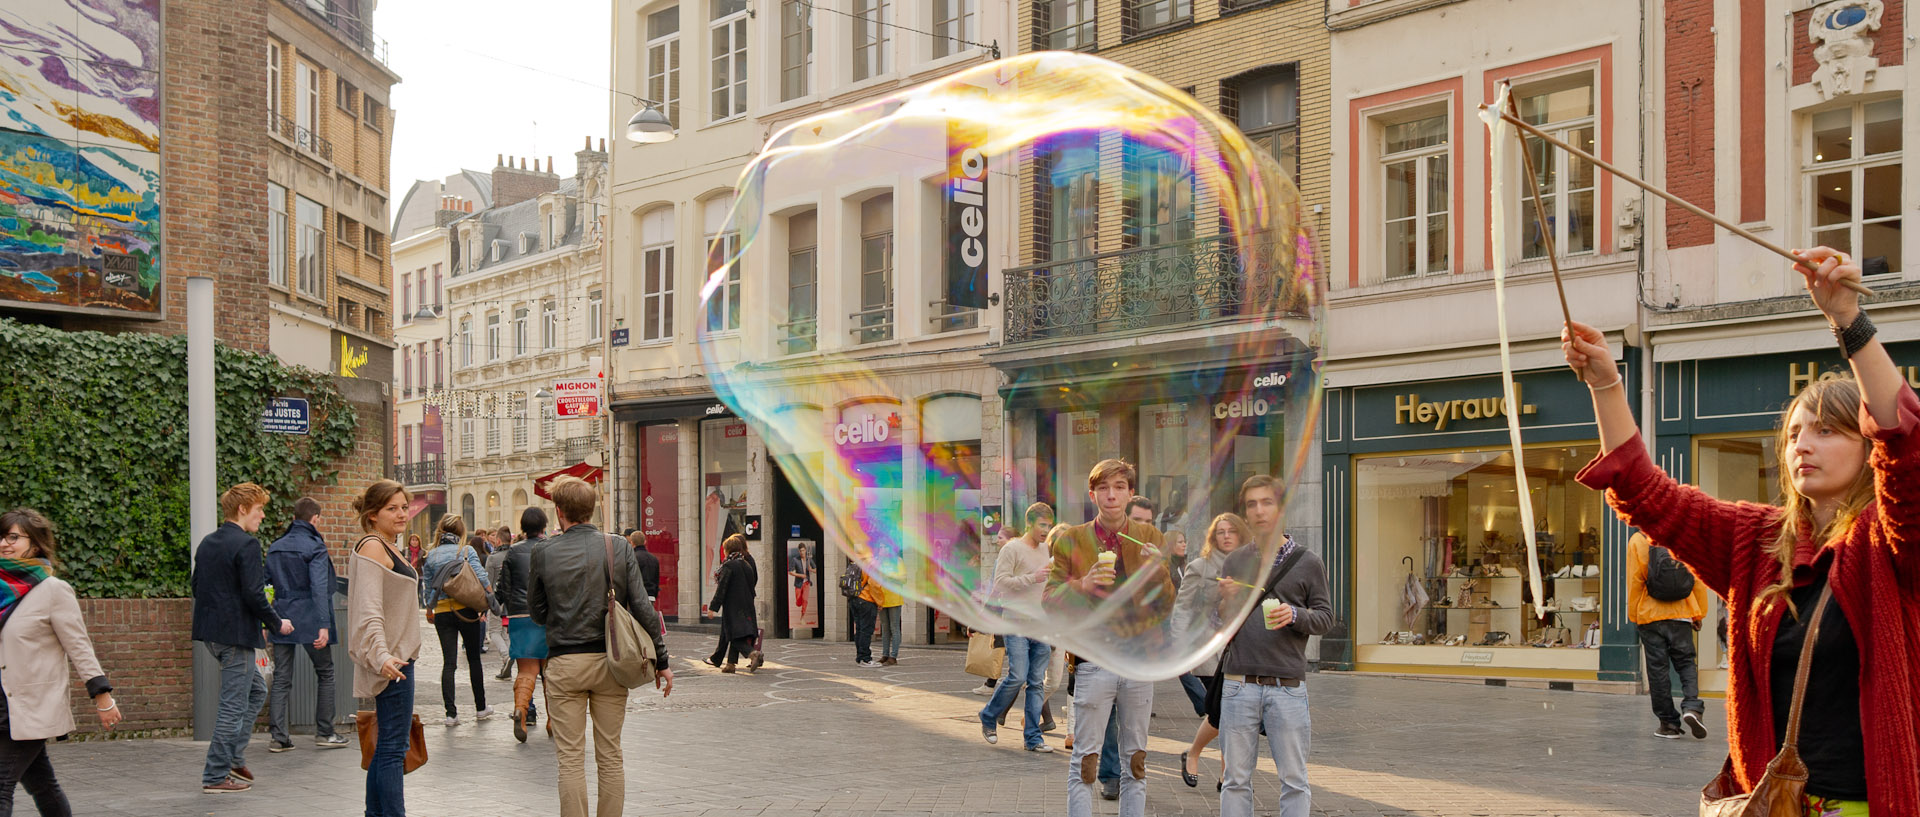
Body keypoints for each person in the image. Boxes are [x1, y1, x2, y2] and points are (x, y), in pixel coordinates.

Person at [1564, 246, 1920, 815]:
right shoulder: (1756, 539)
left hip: (1868, 803)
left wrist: (1848, 322)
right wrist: (1606, 385)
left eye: (1828, 432)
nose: (1803, 444)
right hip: (1769, 802)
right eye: (1795, 434)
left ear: (1867, 446)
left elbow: (1906, 442)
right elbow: (1646, 494)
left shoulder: (1893, 541)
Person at [528, 476, 674, 817]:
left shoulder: (544, 551)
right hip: (612, 661)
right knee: (610, 755)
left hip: (565, 664)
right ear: (592, 509)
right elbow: (641, 606)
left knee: (570, 759)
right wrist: (661, 660)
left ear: (559, 511)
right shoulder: (617, 546)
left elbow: (536, 612)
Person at [1047, 459, 1170, 817]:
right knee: (1085, 763)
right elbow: (1049, 599)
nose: (1111, 495)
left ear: (1131, 494)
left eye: (1119, 487)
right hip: (1092, 663)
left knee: (1136, 763)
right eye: (1103, 488)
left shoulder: (1149, 537)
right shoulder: (1072, 539)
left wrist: (1158, 572)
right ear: (1092, 494)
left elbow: (1165, 605)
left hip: (1137, 662)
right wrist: (1082, 585)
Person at [1215, 474, 1335, 817]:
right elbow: (1222, 624)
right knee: (1235, 779)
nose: (1259, 511)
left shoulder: (1308, 562)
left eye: (1267, 502)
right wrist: (1225, 602)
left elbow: (1325, 618)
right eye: (1252, 504)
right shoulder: (1235, 560)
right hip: (1239, 685)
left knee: (1294, 780)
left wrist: (1295, 615)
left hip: (1288, 686)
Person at [0, 509, 120, 815]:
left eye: (13, 536)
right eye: (1, 536)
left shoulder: (53, 590)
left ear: (36, 543)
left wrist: (102, 696)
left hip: (29, 705)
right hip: (3, 702)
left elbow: (79, 646)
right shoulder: (2, 587)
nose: (4, 543)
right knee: (42, 783)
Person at [192, 483, 294, 794]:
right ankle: (215, 774)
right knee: (232, 706)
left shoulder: (208, 542)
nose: (262, 515)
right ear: (242, 510)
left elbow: (198, 587)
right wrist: (277, 623)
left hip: (212, 634)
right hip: (236, 637)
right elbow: (253, 594)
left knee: (256, 689)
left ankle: (234, 756)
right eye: (259, 509)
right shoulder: (247, 545)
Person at [346, 480, 421, 817]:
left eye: (404, 507)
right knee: (393, 748)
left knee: (386, 748)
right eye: (392, 508)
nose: (401, 514)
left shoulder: (388, 546)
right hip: (393, 661)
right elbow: (369, 609)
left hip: (396, 657)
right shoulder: (374, 547)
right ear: (373, 515)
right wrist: (381, 655)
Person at [1172, 513, 1253, 788]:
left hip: (1243, 648)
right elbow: (1182, 608)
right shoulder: (1201, 567)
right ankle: (1220, 770)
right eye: (1221, 532)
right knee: (1225, 710)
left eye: (1232, 530)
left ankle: (1197, 756)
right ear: (1213, 537)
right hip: (1209, 648)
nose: (1227, 536)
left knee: (1228, 711)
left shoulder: (1252, 566)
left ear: (1241, 534)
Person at [264, 497, 348, 753]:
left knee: (281, 678)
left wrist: (268, 621)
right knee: (325, 672)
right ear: (316, 519)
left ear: (293, 518)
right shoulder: (316, 547)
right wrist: (323, 625)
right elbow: (319, 588)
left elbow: (266, 586)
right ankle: (325, 732)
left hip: (282, 617)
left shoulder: (275, 547)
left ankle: (279, 737)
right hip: (311, 616)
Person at [980, 502, 1057, 753]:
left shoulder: (1047, 549)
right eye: (1042, 525)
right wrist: (1031, 578)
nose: (1046, 530)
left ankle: (1033, 738)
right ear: (1030, 523)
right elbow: (1001, 582)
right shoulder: (1012, 549)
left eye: (1049, 525)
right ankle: (989, 715)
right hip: (1015, 621)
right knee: (1018, 676)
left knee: (1036, 683)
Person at [1626, 531, 1713, 740]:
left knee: (1658, 670)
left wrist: (1634, 614)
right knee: (1686, 663)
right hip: (1682, 613)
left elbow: (1635, 580)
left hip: (1650, 615)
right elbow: (1698, 579)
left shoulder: (1639, 539)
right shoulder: (1685, 537)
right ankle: (1692, 707)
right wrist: (1699, 612)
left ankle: (1668, 724)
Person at [419, 517, 494, 725]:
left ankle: (451, 714)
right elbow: (482, 577)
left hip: (443, 612)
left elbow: (427, 586)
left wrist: (429, 609)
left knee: (449, 663)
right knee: (474, 659)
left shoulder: (430, 554)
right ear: (460, 532)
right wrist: (490, 599)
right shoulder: (466, 551)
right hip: (466, 609)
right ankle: (481, 708)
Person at [498, 507, 550, 742]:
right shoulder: (550, 548)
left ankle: (521, 709)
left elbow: (503, 588)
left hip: (519, 616)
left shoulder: (512, 552)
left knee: (526, 670)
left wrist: (508, 608)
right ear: (543, 526)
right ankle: (553, 721)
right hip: (547, 617)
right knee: (551, 673)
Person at [709, 534, 761, 673]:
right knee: (735, 633)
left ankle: (752, 654)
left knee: (733, 635)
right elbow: (753, 583)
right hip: (747, 604)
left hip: (733, 606)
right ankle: (730, 664)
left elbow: (722, 588)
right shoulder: (747, 564)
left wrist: (713, 607)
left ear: (727, 550)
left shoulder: (729, 566)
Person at [866, 566, 905, 666]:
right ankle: (885, 654)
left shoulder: (897, 561)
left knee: (894, 627)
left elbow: (903, 579)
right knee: (885, 628)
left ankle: (893, 656)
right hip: (881, 599)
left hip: (894, 599)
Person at [847, 562, 881, 667]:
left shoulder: (856, 563)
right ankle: (866, 658)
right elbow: (874, 585)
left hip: (854, 599)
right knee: (866, 631)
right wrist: (880, 602)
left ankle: (860, 657)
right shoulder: (871, 564)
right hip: (866, 600)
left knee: (860, 629)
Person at [628, 530, 661, 601]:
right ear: (645, 542)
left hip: (637, 597)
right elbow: (657, 579)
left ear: (632, 543)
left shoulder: (632, 558)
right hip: (651, 596)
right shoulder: (654, 559)